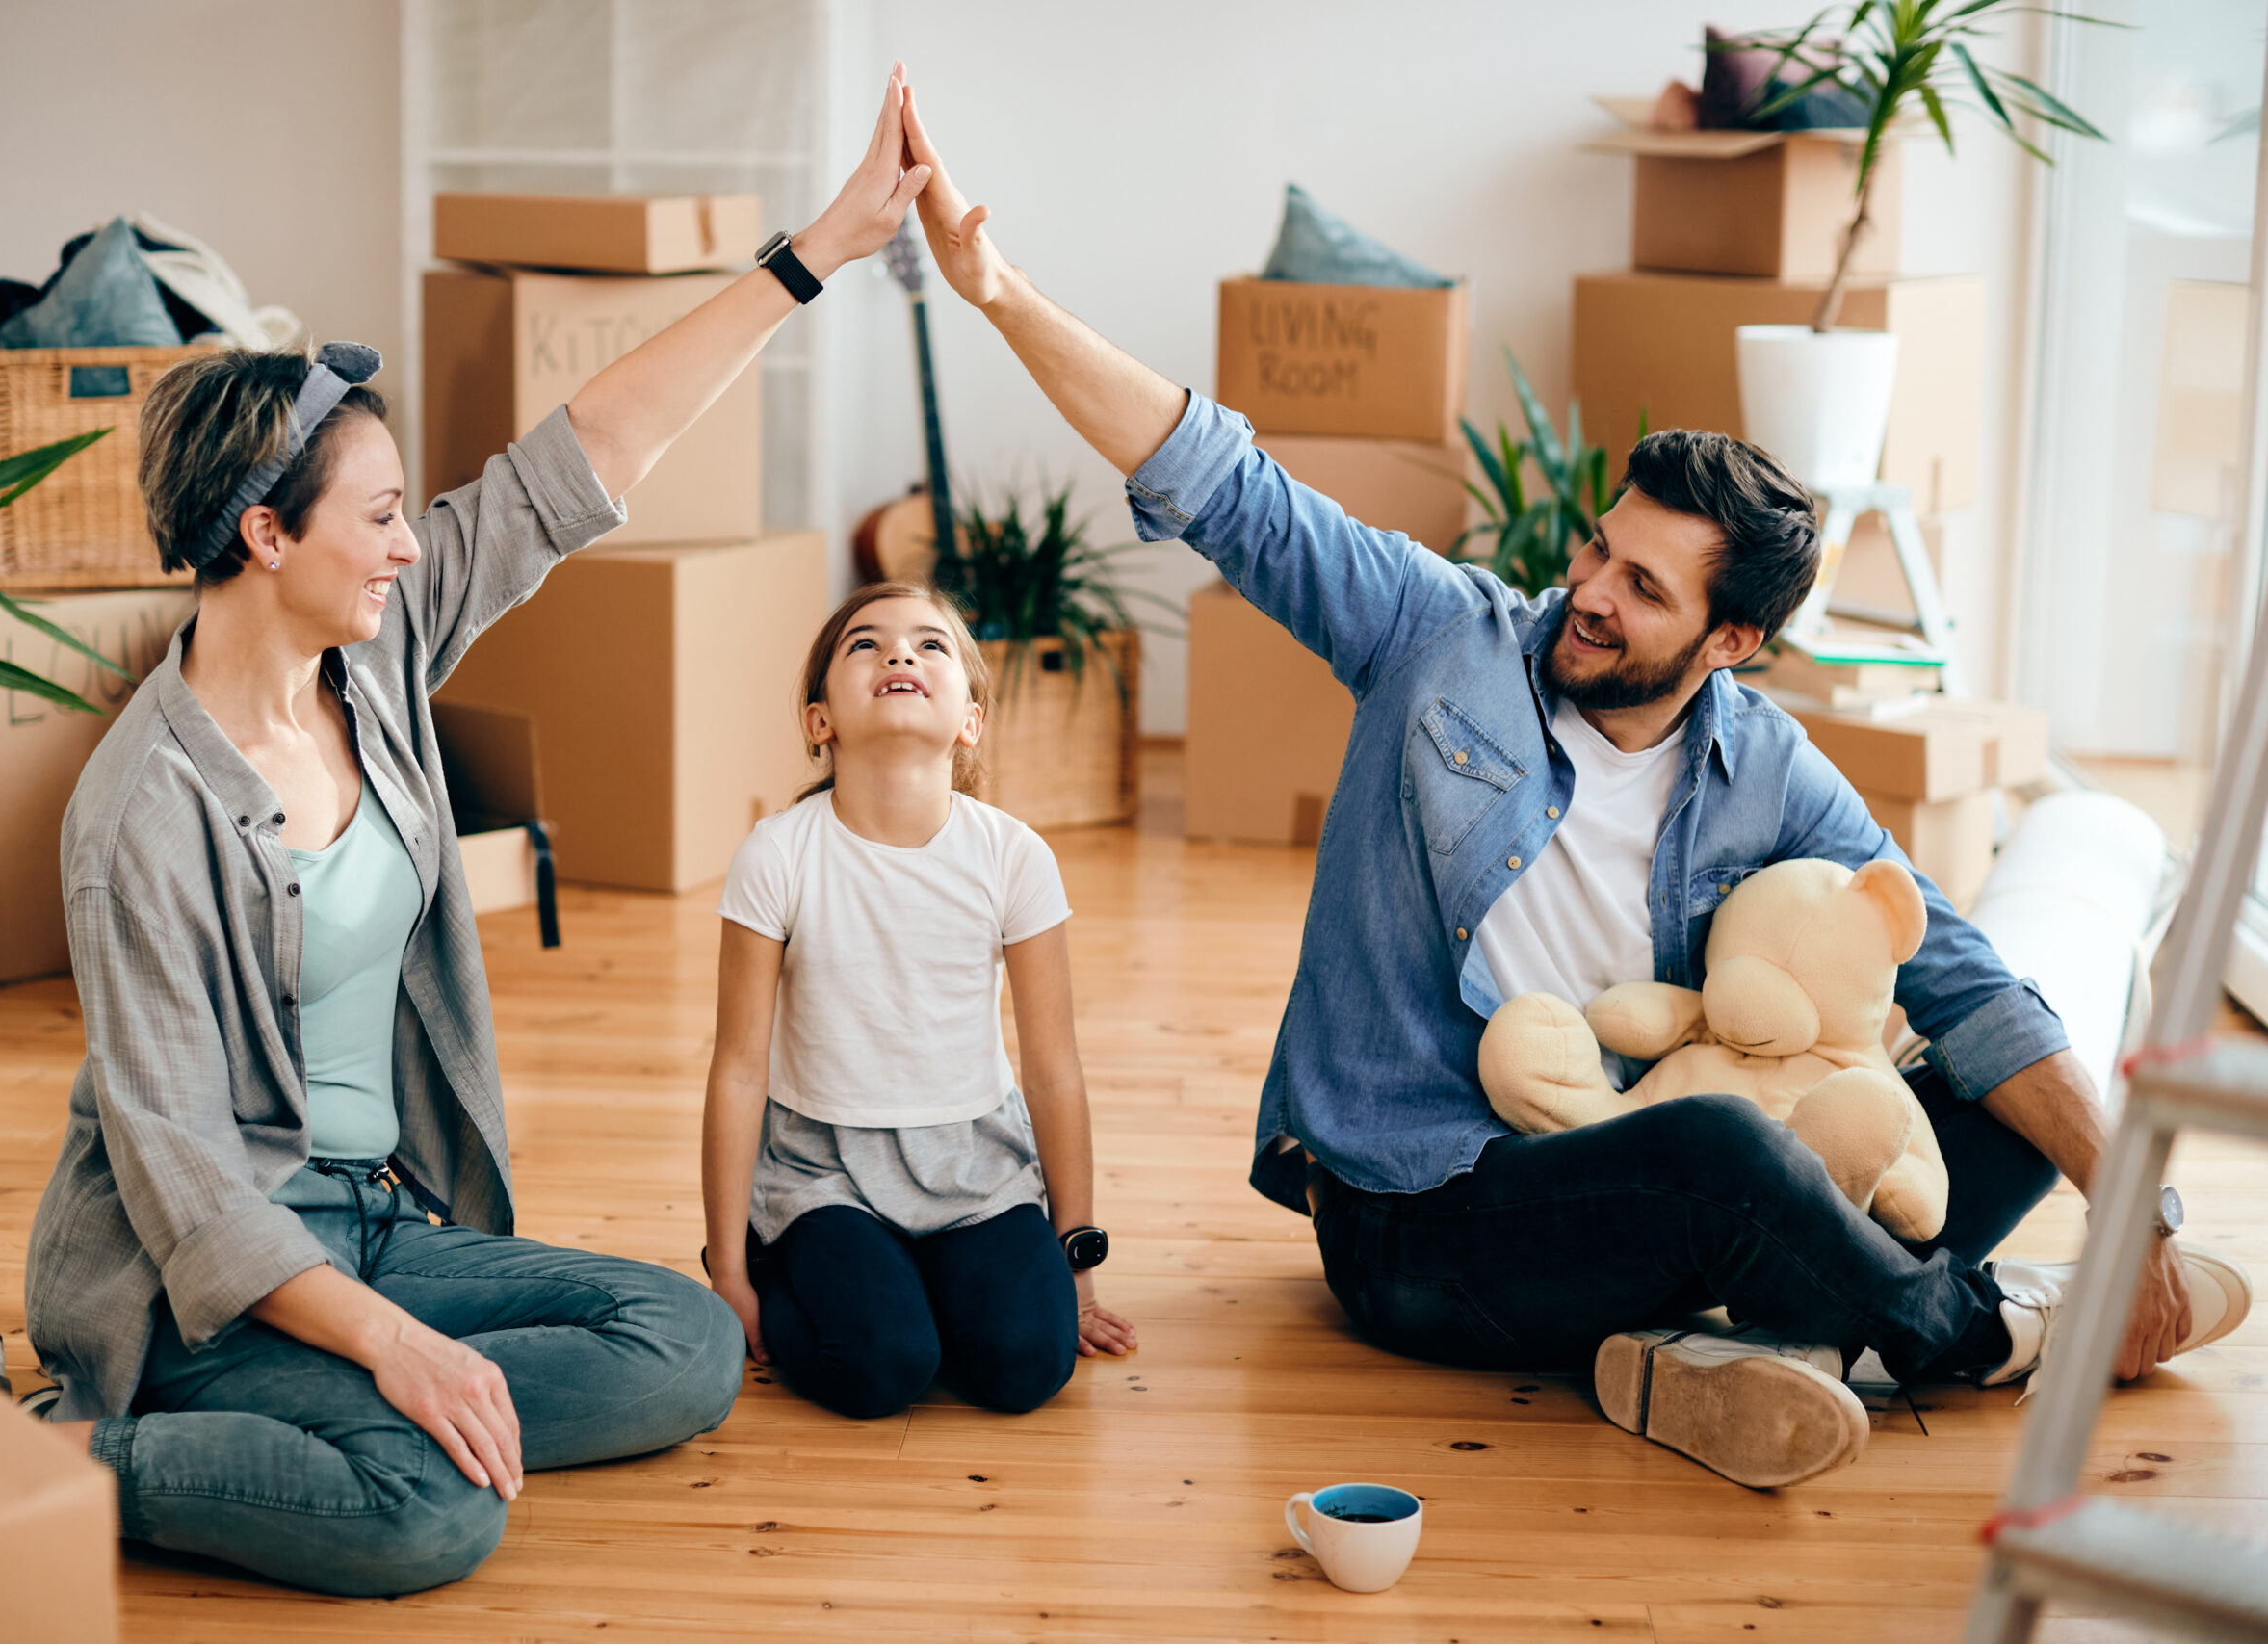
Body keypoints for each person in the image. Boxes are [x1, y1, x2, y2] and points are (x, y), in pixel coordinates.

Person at [890, 74, 2252, 1489]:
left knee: (1999, 1120)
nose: (1588, 591)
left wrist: (2137, 1208)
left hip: (1631, 1172)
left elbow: (1966, 983)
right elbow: (1220, 478)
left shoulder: (1764, 761)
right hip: (1430, 1217)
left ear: (1732, 642)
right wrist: (997, 290)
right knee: (1720, 1148)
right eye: (1602, 547)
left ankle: (1722, 1348)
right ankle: (1973, 1336)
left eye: (1641, 586)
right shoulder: (1441, 637)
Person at [20, 69, 936, 1596]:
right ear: (263, 533)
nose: (407, 539)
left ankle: (378, 1414)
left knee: (689, 1340)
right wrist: (399, 1351)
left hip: (380, 1220)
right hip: (206, 1284)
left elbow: (580, 459)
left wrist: (820, 248)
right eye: (376, 513)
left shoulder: (365, 656)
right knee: (432, 1518)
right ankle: (76, 1453)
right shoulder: (137, 813)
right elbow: (186, 1180)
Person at [700, 583, 1137, 1421]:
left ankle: (922, 1285)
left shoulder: (1014, 856)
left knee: (1028, 1367)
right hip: (824, 1171)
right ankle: (799, 1261)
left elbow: (1052, 1070)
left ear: (970, 719)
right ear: (819, 719)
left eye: (930, 644)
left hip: (974, 1167)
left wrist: (1074, 1261)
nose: (900, 653)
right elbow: (736, 1069)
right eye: (865, 643)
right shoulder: (777, 855)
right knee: (881, 1369)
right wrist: (728, 1270)